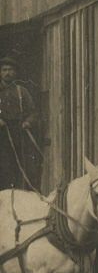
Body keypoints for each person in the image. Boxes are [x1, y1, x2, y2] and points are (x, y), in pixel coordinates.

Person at [0, 56, 39, 190]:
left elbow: (33, 112)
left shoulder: (22, 92)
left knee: (21, 166)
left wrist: (27, 122)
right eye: (4, 70)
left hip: (18, 133)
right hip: (1, 134)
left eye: (10, 70)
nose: (7, 73)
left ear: (15, 73)